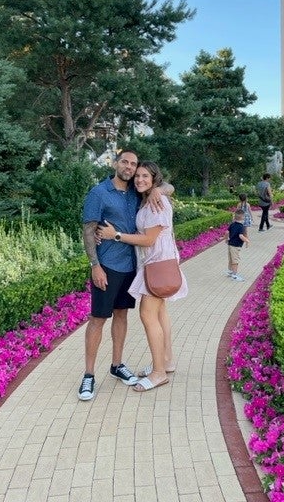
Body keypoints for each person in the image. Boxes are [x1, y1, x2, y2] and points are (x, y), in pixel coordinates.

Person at [78, 150, 170, 401]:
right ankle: (88, 375)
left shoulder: (135, 190)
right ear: (115, 163)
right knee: (98, 318)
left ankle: (117, 365)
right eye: (125, 162)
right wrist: (94, 264)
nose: (129, 167)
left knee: (121, 316)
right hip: (106, 266)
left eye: (133, 164)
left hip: (131, 266)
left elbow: (167, 185)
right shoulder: (99, 193)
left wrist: (158, 191)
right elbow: (88, 231)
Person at [98, 161, 188, 392]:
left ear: (154, 178)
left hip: (158, 264)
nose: (139, 180)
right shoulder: (149, 198)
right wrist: (160, 188)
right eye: (137, 176)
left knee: (147, 314)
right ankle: (166, 361)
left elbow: (148, 239)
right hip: (155, 263)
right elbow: (169, 187)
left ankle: (159, 373)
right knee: (159, 313)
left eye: (145, 176)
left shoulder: (157, 203)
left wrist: (114, 235)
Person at [224, 208, 249, 281]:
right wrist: (247, 240)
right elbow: (240, 236)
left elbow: (226, 232)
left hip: (230, 244)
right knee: (235, 260)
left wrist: (226, 239)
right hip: (235, 246)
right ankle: (234, 275)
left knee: (231, 259)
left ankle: (230, 271)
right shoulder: (241, 226)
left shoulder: (232, 224)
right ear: (242, 217)